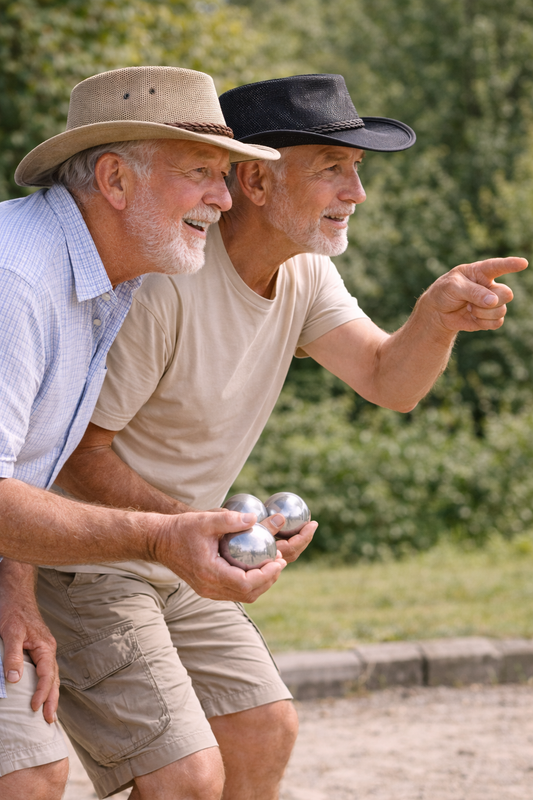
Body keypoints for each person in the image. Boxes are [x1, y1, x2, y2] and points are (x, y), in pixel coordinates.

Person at [51, 74, 527, 800]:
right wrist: (193, 531)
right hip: (91, 556)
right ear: (256, 182)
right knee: (185, 776)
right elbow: (77, 455)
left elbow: (386, 380)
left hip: (181, 555)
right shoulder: (165, 284)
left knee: (263, 729)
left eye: (356, 171)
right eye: (331, 168)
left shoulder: (302, 270)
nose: (355, 194)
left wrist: (434, 317)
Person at [0, 65, 283, 800]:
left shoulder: (113, 277)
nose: (223, 200)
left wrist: (15, 589)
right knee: (26, 776)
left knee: (30, 770)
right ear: (115, 180)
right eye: (200, 173)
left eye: (225, 176)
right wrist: (161, 538)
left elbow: (22, 460)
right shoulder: (18, 282)